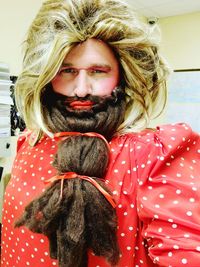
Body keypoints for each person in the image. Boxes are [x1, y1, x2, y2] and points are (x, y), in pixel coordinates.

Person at [1, 0, 200, 266]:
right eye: (67, 71)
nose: (81, 89)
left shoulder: (152, 155)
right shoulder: (31, 142)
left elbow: (185, 249)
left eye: (98, 71)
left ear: (123, 75)